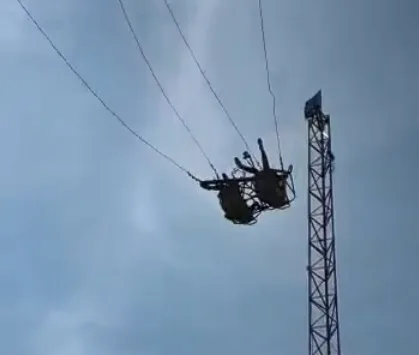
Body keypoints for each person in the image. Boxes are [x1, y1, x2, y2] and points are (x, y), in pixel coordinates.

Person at [234, 138, 290, 209]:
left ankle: (242, 166)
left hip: (265, 183)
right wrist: (284, 176)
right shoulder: (280, 196)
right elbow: (282, 184)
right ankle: (261, 149)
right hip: (268, 181)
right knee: (264, 167)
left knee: (258, 170)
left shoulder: (273, 199)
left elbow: (260, 196)